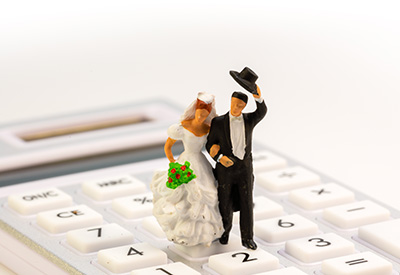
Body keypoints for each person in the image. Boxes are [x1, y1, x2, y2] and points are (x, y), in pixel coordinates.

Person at [151, 92, 224, 247]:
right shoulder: (182, 127)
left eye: (205, 115)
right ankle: (180, 228)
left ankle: (205, 232)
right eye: (200, 113)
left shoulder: (208, 128)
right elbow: (168, 146)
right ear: (194, 111)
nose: (201, 117)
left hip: (200, 162)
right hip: (186, 161)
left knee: (208, 192)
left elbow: (212, 145)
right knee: (184, 194)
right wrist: (173, 163)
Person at [206, 67, 267, 250]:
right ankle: (224, 232)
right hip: (225, 168)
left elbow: (263, 111)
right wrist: (219, 157)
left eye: (240, 106)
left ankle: (247, 238)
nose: (235, 108)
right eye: (234, 104)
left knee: (247, 204)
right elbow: (209, 145)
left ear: (244, 107)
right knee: (224, 202)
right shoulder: (218, 122)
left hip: (245, 168)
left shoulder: (249, 120)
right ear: (230, 102)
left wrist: (258, 95)